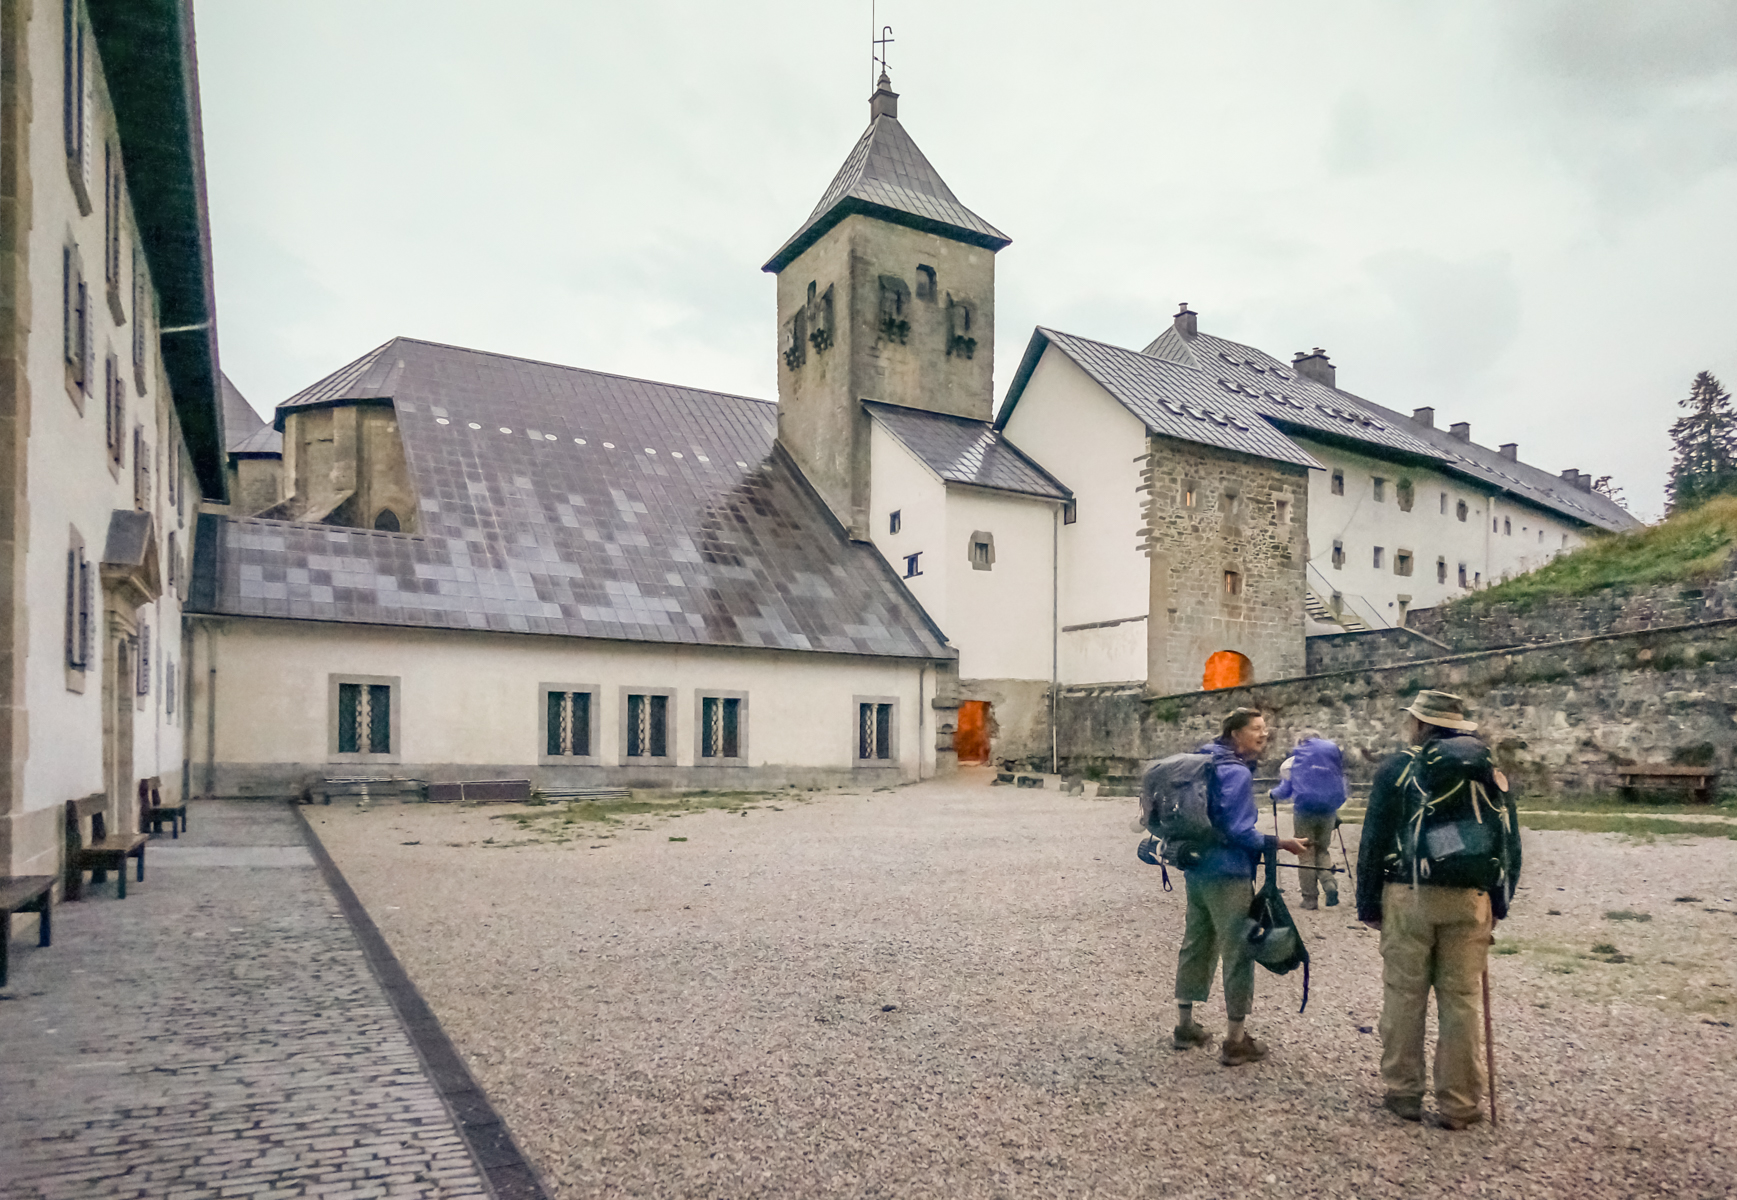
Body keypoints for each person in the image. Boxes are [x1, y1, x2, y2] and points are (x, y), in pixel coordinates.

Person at [1357, 690, 1521, 1130]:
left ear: (1422, 725)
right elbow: (1509, 838)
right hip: (1471, 896)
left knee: (1404, 995)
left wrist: (1368, 903)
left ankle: (1404, 1093)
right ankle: (1461, 1103)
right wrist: (1500, 900)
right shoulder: (1486, 770)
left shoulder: (1398, 768)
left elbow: (1374, 838)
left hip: (1409, 891)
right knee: (1462, 1001)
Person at [1173, 707, 1310, 1066]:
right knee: (1238, 950)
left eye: (1265, 729)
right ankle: (1235, 1040)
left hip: (1196, 867)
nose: (1264, 735)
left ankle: (1185, 1025)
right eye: (1256, 729)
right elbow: (1237, 830)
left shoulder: (1203, 758)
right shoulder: (1235, 772)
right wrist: (1280, 843)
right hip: (1228, 872)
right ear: (1235, 734)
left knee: (1196, 941)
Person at [1271, 729, 1347, 910]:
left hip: (1304, 811)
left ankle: (1310, 899)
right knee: (1322, 850)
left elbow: (1284, 790)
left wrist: (1271, 794)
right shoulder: (1330, 760)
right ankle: (1329, 885)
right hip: (1328, 811)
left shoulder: (1294, 762)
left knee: (1305, 853)